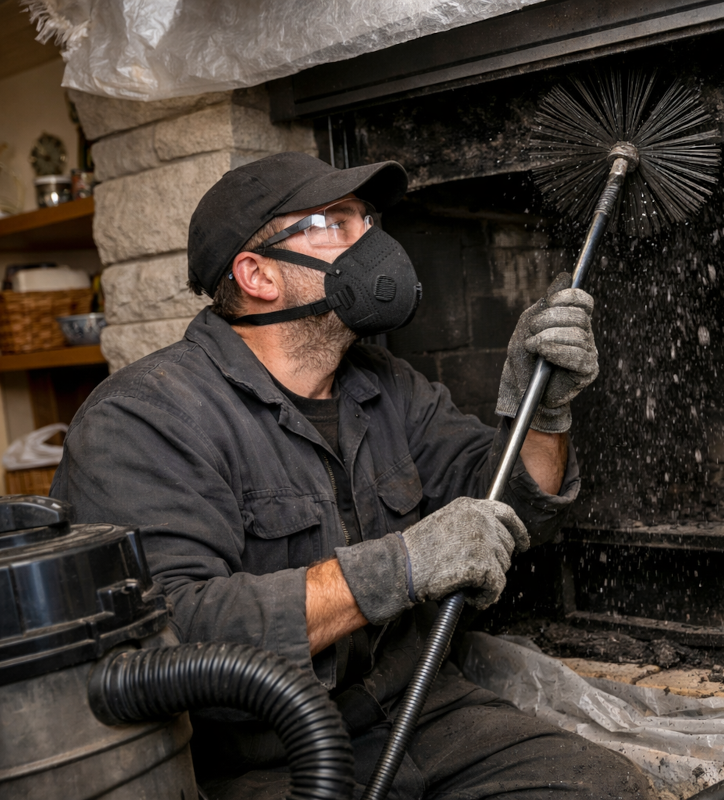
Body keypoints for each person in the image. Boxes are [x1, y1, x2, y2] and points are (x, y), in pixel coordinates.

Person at [51, 152, 651, 799]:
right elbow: (173, 634)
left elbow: (512, 514)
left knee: (603, 788)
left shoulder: (387, 385)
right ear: (257, 275)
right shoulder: (145, 418)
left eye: (366, 217)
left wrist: (545, 408)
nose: (371, 238)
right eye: (333, 222)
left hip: (417, 709)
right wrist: (399, 568)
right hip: (258, 753)